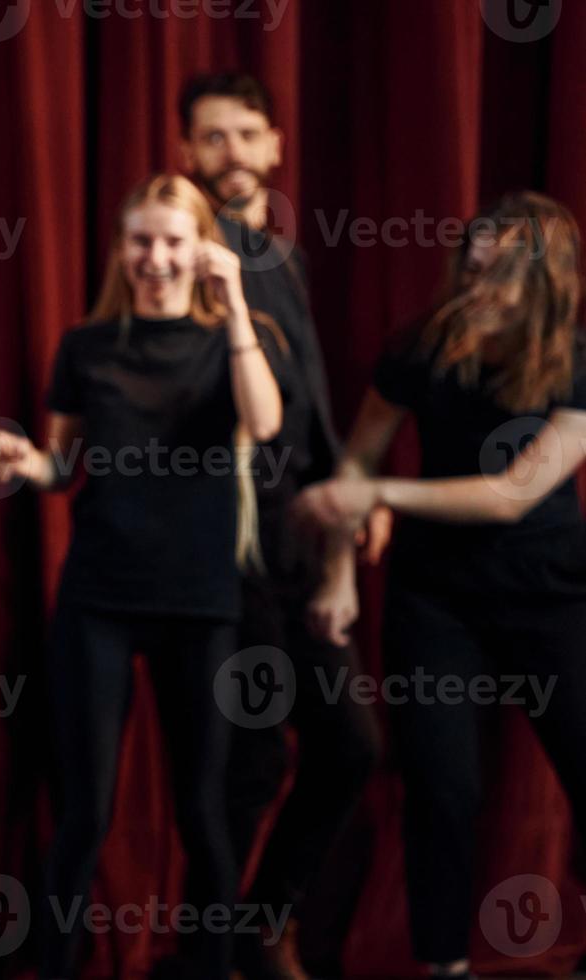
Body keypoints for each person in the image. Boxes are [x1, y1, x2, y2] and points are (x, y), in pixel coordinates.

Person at [0, 174, 284, 980]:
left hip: (199, 599)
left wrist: (231, 309)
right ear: (121, 247)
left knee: (202, 809)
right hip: (99, 599)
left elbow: (263, 423)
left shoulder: (232, 337)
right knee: (84, 811)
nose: (155, 257)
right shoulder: (86, 345)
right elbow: (61, 463)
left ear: (199, 248)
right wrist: (26, 463)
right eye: (141, 240)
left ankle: (210, 964)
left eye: (172, 240)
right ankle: (57, 967)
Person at [297, 192, 586, 980]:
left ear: (544, 284)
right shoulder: (422, 348)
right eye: (471, 268)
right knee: (440, 790)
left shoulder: (574, 362)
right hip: (438, 599)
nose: (475, 288)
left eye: (498, 276)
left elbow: (510, 494)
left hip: (551, 591)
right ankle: (443, 966)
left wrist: (382, 498)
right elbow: (355, 459)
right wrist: (337, 578)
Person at [177, 72, 380, 980]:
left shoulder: (281, 256)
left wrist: (346, 505)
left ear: (274, 146)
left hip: (298, 538)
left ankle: (258, 927)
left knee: (348, 746)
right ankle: (211, 953)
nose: (229, 153)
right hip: (228, 544)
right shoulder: (188, 252)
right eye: (210, 138)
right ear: (187, 154)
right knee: (248, 761)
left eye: (244, 135)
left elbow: (315, 407)